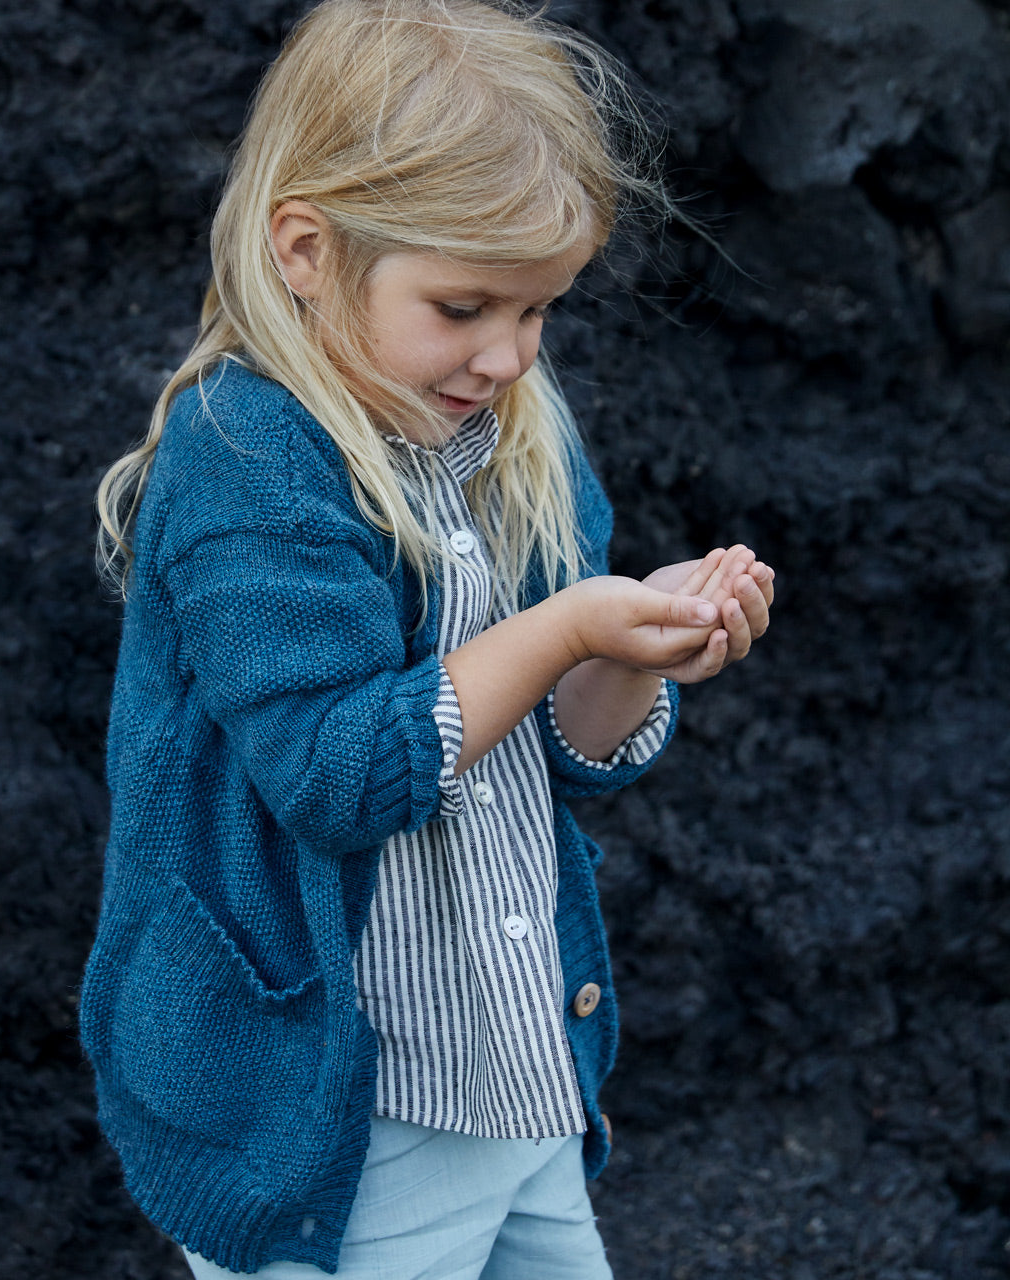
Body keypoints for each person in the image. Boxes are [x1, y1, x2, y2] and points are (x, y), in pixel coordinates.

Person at [79, 1, 774, 1276]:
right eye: (463, 306)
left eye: (539, 312)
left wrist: (628, 650)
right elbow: (335, 774)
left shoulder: (517, 438)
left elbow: (561, 755)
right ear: (304, 247)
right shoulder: (249, 459)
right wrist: (562, 624)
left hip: (510, 1052)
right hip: (335, 1101)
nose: (507, 354)